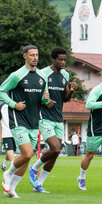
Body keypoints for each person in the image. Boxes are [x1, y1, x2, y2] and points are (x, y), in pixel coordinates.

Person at [0, 45, 50, 198]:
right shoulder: (17, 75)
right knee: (27, 154)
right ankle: (7, 173)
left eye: (37, 55)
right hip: (18, 119)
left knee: (26, 159)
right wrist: (13, 104)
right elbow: (0, 91)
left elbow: (42, 99)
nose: (35, 58)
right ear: (25, 56)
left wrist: (45, 99)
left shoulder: (42, 76)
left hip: (34, 121)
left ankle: (11, 189)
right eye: (32, 55)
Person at [28, 46, 78, 193]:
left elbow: (65, 98)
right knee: (55, 148)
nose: (63, 62)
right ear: (53, 59)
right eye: (60, 60)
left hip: (58, 117)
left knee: (55, 153)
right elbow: (35, 93)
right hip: (44, 117)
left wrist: (71, 90)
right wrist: (44, 100)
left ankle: (39, 185)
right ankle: (34, 168)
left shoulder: (65, 75)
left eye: (65, 60)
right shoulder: (43, 73)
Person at [0, 100, 15, 171]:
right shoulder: (15, 104)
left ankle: (13, 167)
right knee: (10, 150)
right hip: (16, 131)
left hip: (7, 132)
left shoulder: (1, 106)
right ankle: (3, 165)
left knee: (9, 150)